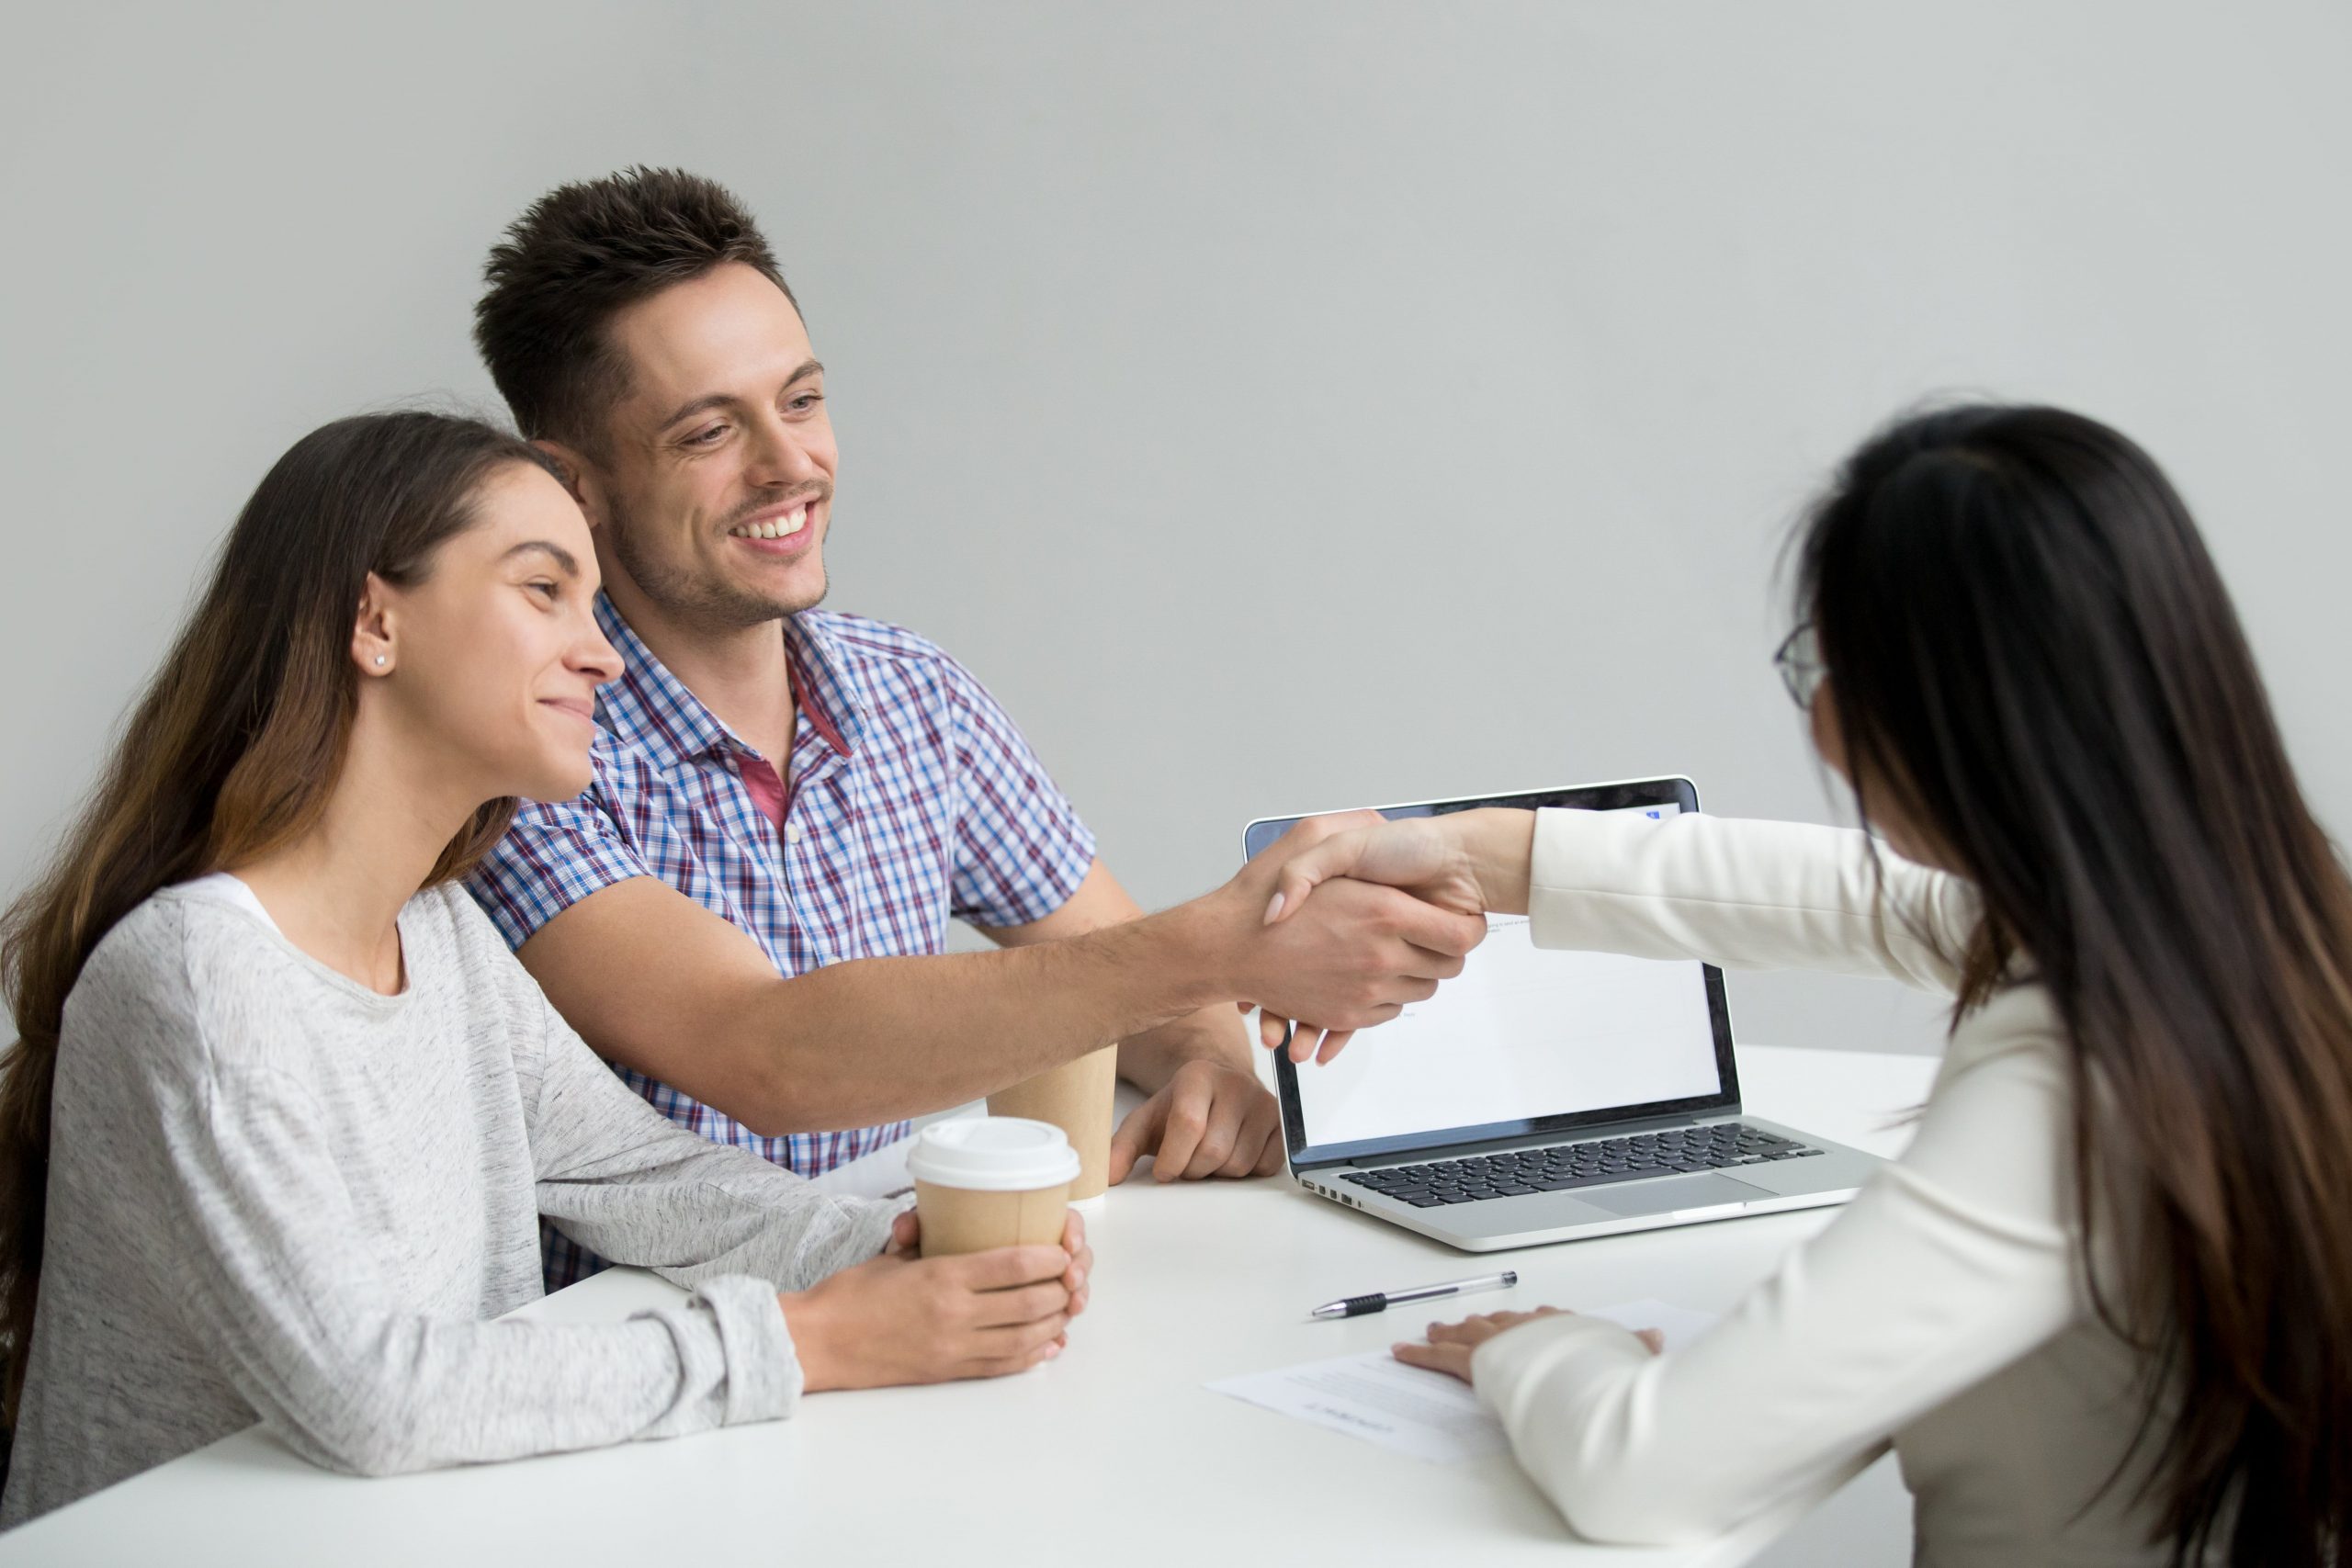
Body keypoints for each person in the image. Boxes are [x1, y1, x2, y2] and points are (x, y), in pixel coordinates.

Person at [1258, 406, 2352, 1566]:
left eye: (1819, 668)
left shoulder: (2071, 1086)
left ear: (1923, 718)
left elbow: (1648, 1469)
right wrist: (1459, 851)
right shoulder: (2269, 925)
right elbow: (1842, 892)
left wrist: (1532, 1351)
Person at [0, 412, 1095, 1526]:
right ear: (375, 621)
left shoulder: (440, 936)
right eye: (543, 590)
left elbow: (645, 1180)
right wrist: (806, 1341)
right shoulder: (198, 975)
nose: (603, 651)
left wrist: (890, 1249)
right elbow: (370, 1393)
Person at [464, 167, 1487, 1285]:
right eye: (710, 432)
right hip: (662, 1362)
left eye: (801, 401)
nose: (790, 463)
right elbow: (764, 1050)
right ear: (575, 485)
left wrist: (1207, 1060)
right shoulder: (524, 752)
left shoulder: (914, 695)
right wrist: (1227, 943)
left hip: (908, 1297)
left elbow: (1120, 971)